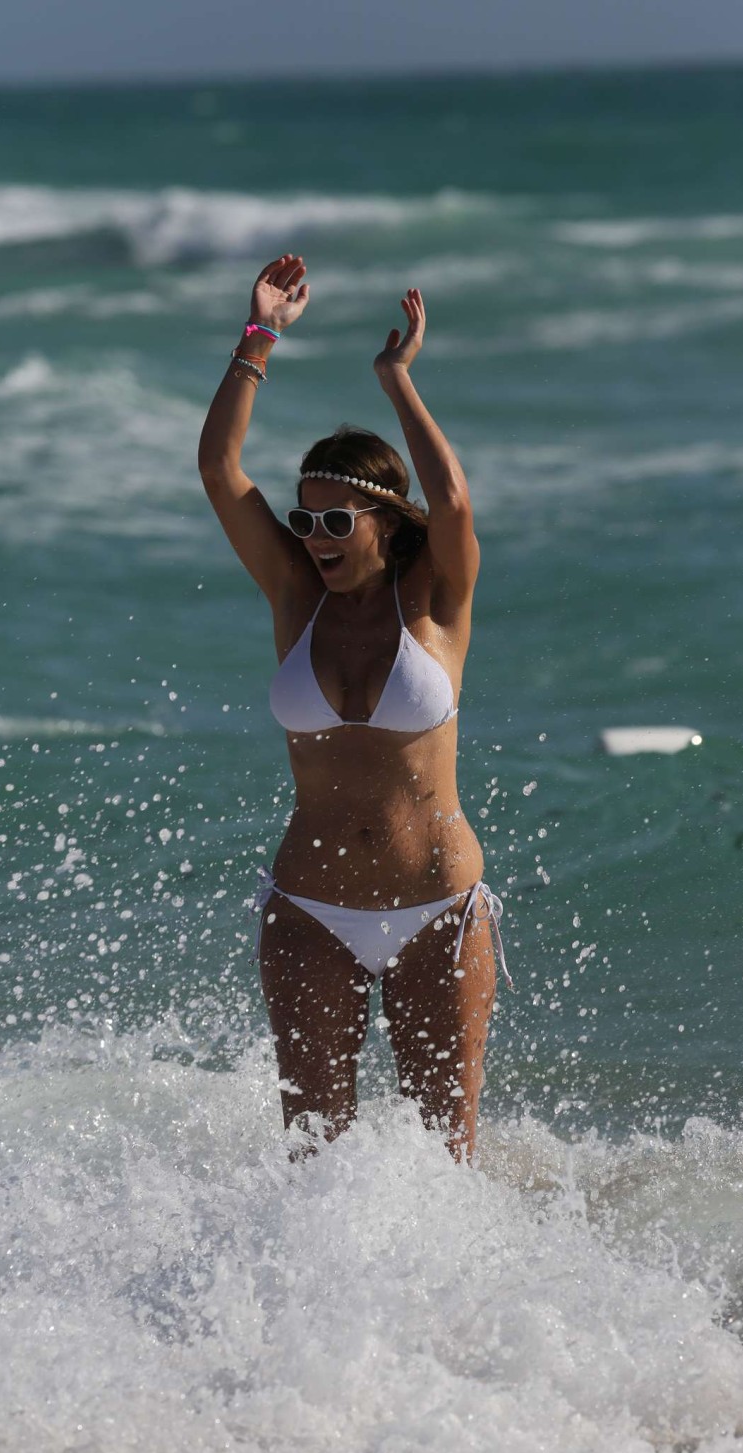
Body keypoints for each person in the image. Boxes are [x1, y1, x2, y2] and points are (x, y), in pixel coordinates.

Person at [198, 253, 512, 1161]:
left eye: (337, 522)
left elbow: (450, 499)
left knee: (444, 1161)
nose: (316, 539)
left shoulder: (438, 604)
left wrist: (395, 379)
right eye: (305, 520)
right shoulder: (295, 600)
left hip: (439, 915)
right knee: (312, 1165)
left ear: (384, 521)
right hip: (308, 911)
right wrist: (257, 337)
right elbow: (221, 470)